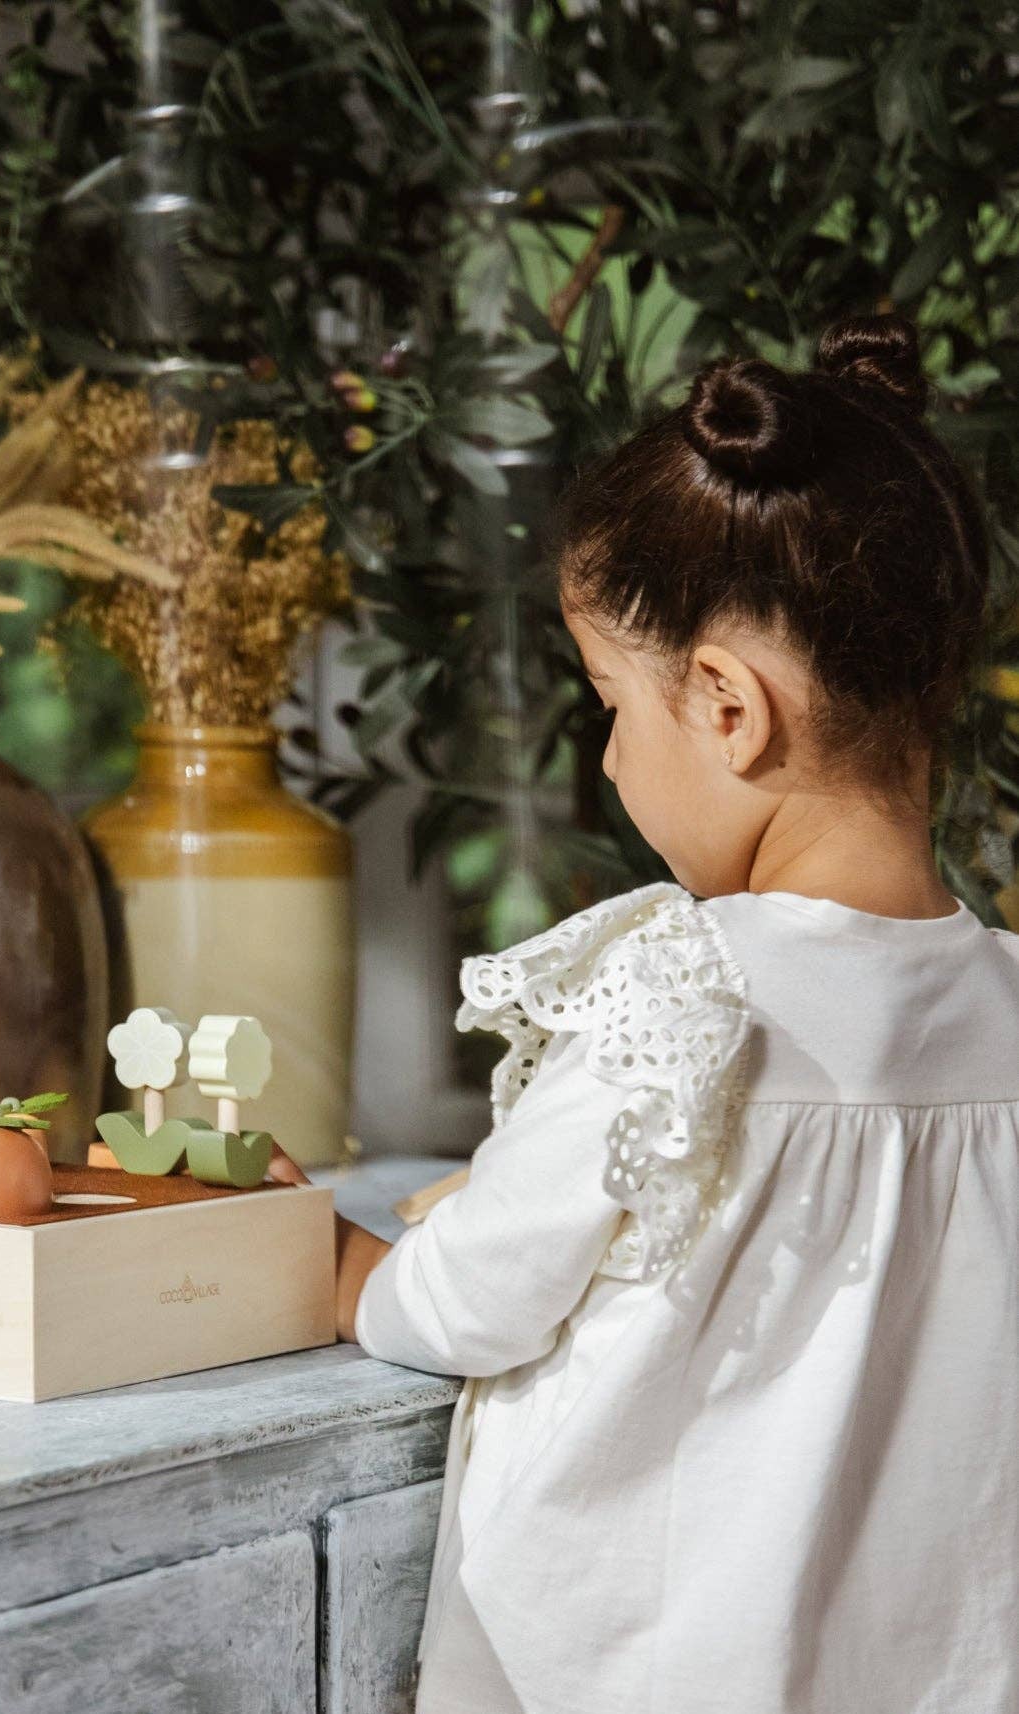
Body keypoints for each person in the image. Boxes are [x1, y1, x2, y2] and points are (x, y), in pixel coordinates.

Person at [326, 314, 1019, 1712]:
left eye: (606, 702)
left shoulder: (680, 990)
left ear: (721, 705)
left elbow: (462, 1301)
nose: (606, 754)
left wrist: (320, 1248)